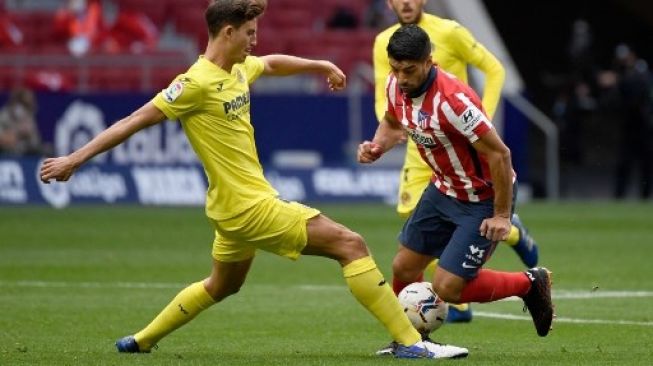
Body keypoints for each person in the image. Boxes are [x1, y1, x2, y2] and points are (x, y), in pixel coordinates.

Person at [39, 0, 468, 360]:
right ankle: (413, 345)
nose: (255, 40)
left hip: (229, 211)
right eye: (249, 32)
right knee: (350, 245)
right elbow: (134, 121)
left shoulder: (239, 69)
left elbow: (272, 63)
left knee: (222, 285)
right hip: (249, 207)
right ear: (227, 32)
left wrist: (319, 64)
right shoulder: (193, 84)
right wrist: (74, 160)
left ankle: (142, 340)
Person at [359, 24, 554, 355]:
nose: (402, 77)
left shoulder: (453, 102)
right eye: (396, 69)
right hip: (442, 189)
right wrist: (378, 146)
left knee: (447, 286)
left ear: (429, 62)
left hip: (482, 198)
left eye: (409, 70)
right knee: (403, 267)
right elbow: (393, 123)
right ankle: (409, 342)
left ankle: (531, 283)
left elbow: (500, 154)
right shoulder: (395, 86)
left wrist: (502, 215)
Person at [0, 87, 43, 155]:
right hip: (6, 154)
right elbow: (3, 139)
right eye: (24, 103)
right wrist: (18, 132)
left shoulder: (28, 116)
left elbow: (35, 142)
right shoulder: (4, 115)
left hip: (26, 153)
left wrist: (28, 133)